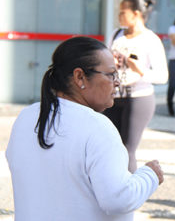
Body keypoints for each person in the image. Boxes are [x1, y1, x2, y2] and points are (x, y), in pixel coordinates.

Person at [6, 37, 164, 221]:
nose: (117, 82)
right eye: (111, 74)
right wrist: (150, 175)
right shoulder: (97, 127)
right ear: (80, 77)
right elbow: (118, 199)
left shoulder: (27, 117)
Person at [103, 0, 168, 173]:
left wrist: (140, 69)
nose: (119, 15)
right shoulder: (116, 35)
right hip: (113, 96)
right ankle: (110, 187)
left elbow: (162, 76)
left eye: (123, 12)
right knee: (110, 146)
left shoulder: (151, 39)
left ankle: (128, 193)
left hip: (139, 98)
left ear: (136, 14)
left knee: (127, 148)